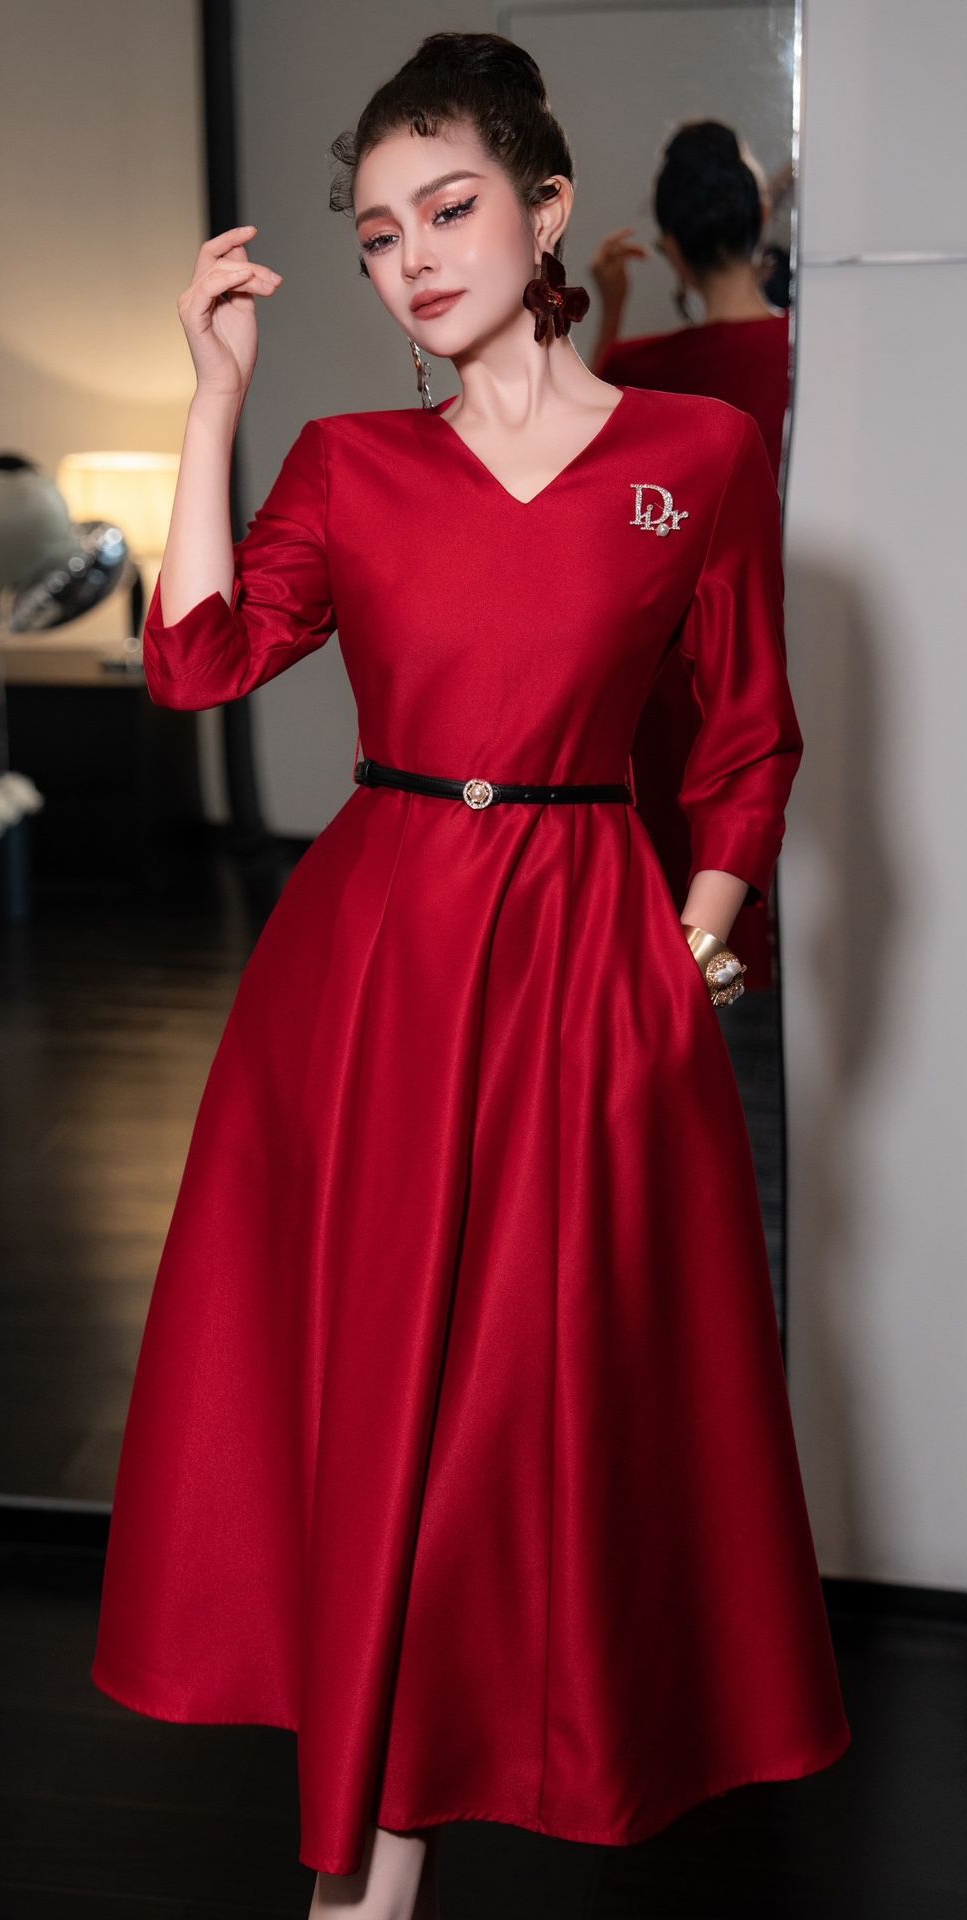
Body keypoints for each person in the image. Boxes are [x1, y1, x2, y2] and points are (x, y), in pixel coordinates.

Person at [93, 37, 847, 1920]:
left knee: (526, 1409)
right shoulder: (350, 467)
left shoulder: (698, 458)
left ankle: (423, 1823)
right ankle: (363, 1881)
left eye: (448, 209)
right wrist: (212, 403)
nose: (414, 258)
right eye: (375, 234)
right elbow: (195, 665)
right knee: (384, 1409)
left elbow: (749, 739)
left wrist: (699, 935)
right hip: (372, 968)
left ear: (547, 209)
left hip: (589, 958)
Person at [590, 122, 793, 988]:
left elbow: (588, 466)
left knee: (669, 890)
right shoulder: (811, 355)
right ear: (759, 222)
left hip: (675, 669)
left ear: (670, 246)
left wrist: (610, 307)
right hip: (785, 636)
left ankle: (691, 984)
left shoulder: (638, 369)